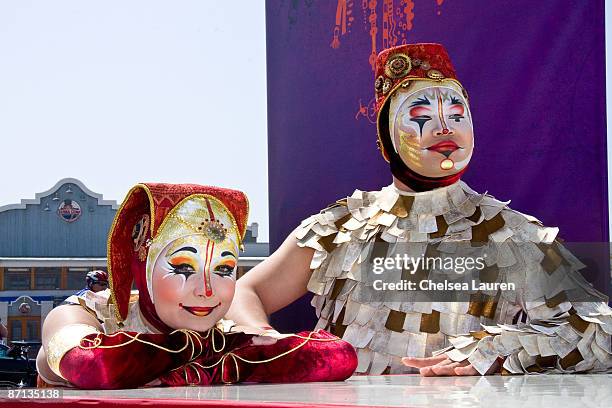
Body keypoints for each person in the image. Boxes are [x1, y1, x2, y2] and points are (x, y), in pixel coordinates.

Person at [227, 43, 612, 376]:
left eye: (457, 116)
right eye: (421, 116)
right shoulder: (339, 226)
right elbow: (245, 291)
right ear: (386, 136)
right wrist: (273, 345)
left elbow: (600, 328)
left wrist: (495, 349)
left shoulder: (511, 233)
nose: (445, 129)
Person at [36, 183, 356, 388]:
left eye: (223, 269)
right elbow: (91, 364)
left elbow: (338, 356)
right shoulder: (84, 314)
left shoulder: (227, 333)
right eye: (183, 268)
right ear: (142, 265)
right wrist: (217, 358)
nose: (206, 290)